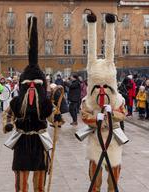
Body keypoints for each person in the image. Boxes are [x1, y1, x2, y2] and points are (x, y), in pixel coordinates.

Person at [3, 16, 53, 192]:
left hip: (40, 140)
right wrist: (8, 124)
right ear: (22, 85)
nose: (32, 87)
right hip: (22, 141)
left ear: (41, 85)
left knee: (39, 179)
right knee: (21, 179)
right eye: (28, 84)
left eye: (36, 84)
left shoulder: (45, 102)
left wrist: (58, 118)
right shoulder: (17, 101)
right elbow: (8, 114)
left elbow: (53, 116)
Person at [81, 12, 126, 192]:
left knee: (113, 180)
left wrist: (110, 114)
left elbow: (122, 115)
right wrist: (97, 117)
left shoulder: (117, 99)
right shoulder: (89, 101)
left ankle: (110, 26)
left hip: (113, 141)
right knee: (94, 179)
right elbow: (85, 116)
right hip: (95, 140)